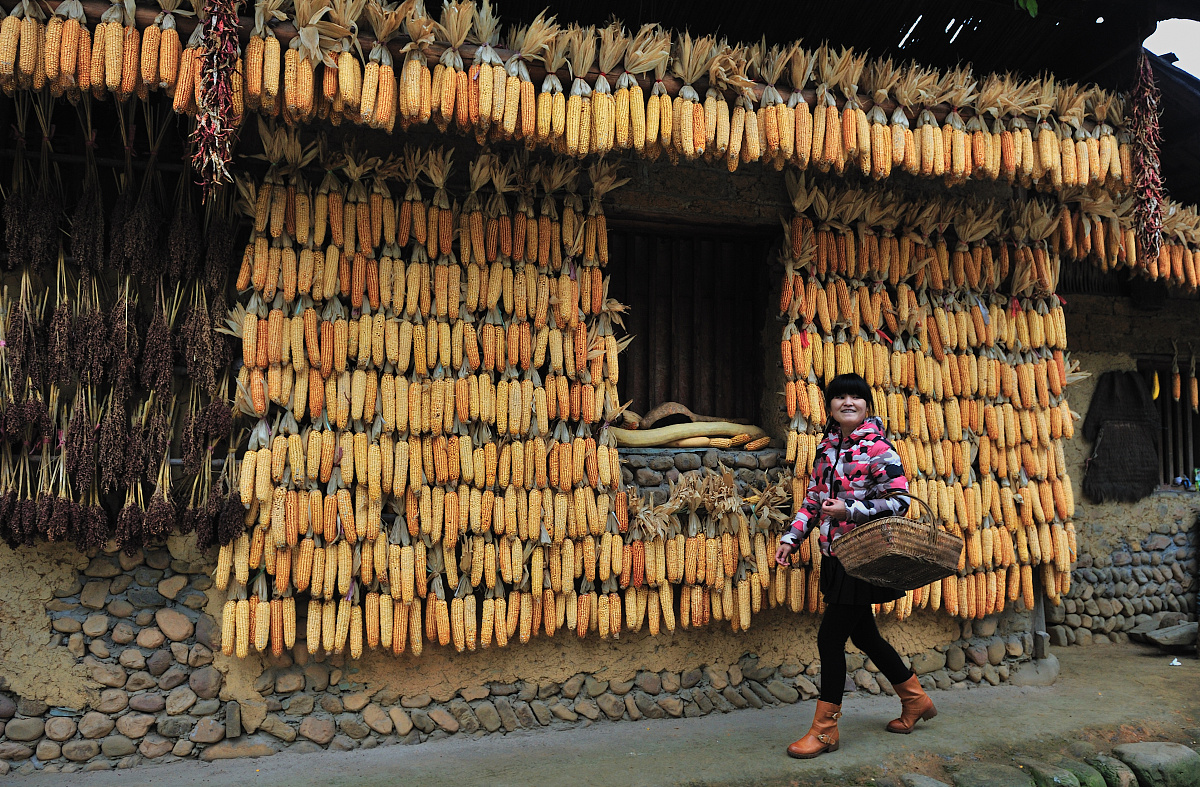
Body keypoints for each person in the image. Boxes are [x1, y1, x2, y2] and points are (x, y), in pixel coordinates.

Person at [775, 373, 936, 759]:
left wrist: (851, 509)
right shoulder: (825, 449)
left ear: (867, 405)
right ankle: (915, 700)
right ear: (829, 407)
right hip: (835, 556)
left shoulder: (879, 449)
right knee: (864, 636)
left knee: (830, 639)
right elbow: (813, 500)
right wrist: (791, 538)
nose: (848, 402)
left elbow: (900, 502)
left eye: (856, 397)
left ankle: (825, 731)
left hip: (863, 557)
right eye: (840, 397)